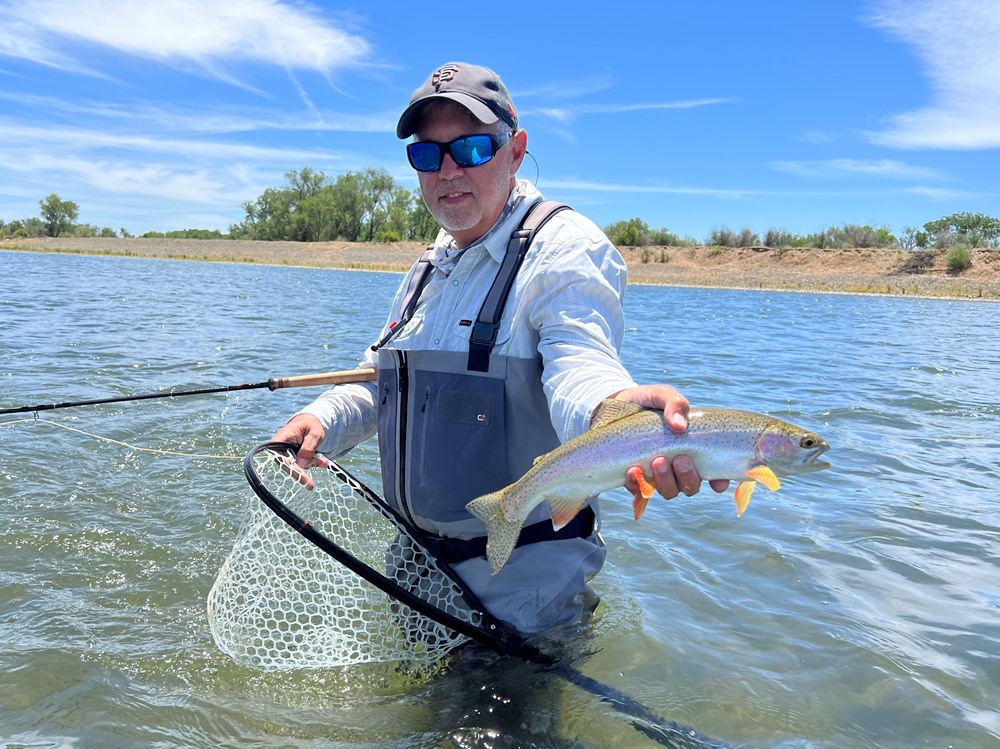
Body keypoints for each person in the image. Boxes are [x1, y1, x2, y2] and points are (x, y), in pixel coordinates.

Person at [272, 61, 726, 634]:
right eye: (427, 154)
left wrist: (616, 412)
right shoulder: (430, 263)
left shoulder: (565, 247)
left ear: (515, 151)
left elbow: (579, 365)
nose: (447, 170)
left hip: (519, 588)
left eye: (472, 147)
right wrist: (320, 419)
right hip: (416, 564)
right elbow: (383, 377)